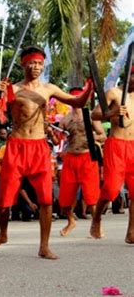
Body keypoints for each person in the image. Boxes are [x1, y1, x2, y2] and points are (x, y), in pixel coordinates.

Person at [0, 45, 93, 259]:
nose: (35, 67)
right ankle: (2, 234)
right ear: (23, 63)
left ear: (43, 65)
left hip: (39, 147)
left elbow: (77, 101)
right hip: (16, 146)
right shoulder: (11, 89)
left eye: (39, 63)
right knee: (4, 201)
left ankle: (44, 246)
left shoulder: (49, 89)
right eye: (31, 62)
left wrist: (90, 87)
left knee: (46, 200)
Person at [90, 65, 134, 244]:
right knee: (111, 189)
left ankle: (131, 232)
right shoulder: (114, 93)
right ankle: (97, 218)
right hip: (116, 145)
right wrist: (114, 112)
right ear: (128, 76)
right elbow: (95, 114)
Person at [58, 88, 106, 236]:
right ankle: (71, 220)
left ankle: (96, 224)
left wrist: (92, 137)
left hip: (87, 156)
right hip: (71, 157)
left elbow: (103, 136)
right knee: (65, 197)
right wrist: (51, 132)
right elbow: (57, 140)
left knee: (91, 196)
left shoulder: (91, 116)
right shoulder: (65, 119)